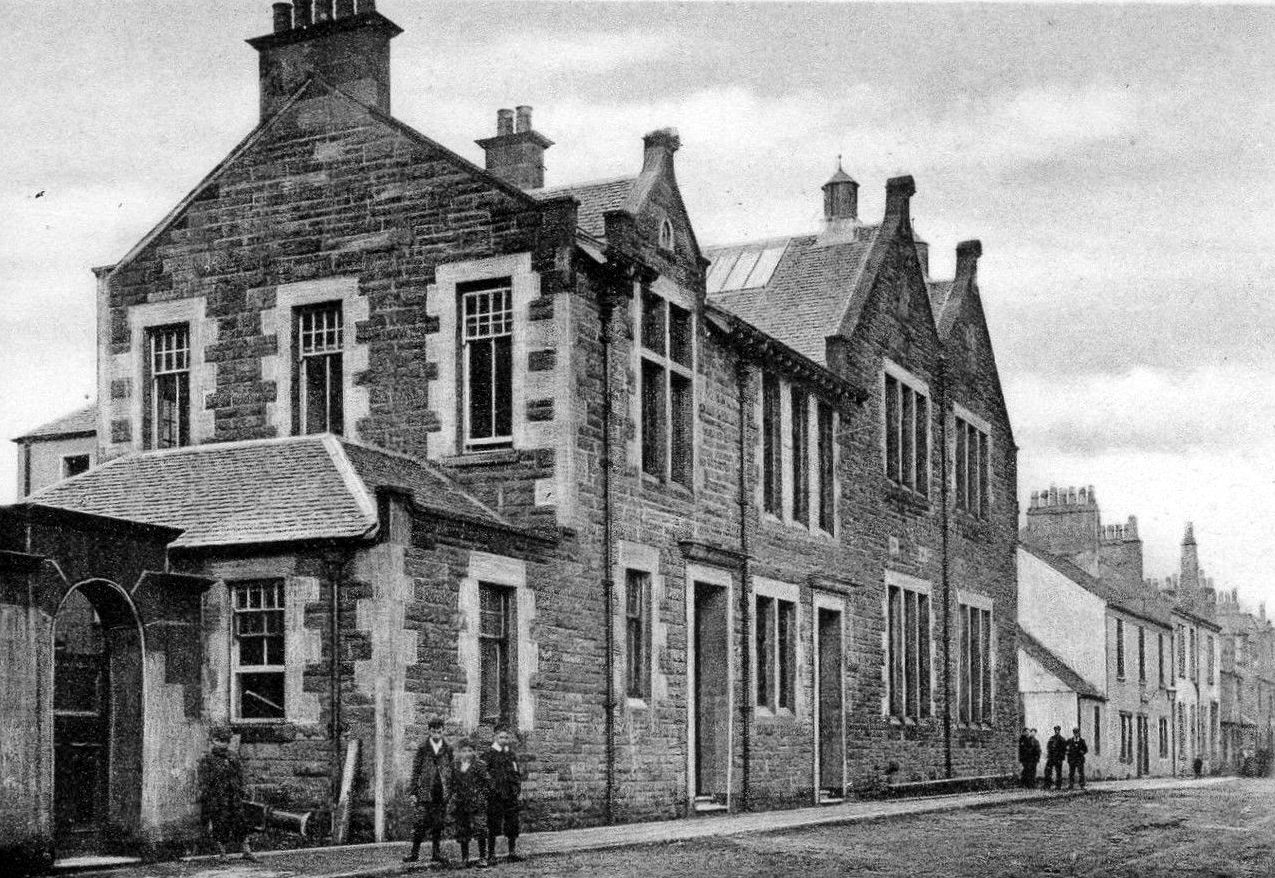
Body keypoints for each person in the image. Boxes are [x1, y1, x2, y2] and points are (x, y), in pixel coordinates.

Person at [199, 726, 255, 861]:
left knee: (241, 822)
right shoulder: (208, 759)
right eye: (220, 740)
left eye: (226, 740)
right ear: (213, 741)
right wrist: (208, 797)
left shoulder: (233, 757)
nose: (224, 743)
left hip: (234, 795)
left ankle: (247, 851)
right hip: (218, 798)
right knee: (220, 823)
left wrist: (243, 789)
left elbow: (240, 775)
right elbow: (204, 780)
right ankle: (223, 854)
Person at [405, 716, 453, 864]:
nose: (436, 735)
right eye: (433, 732)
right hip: (425, 791)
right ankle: (414, 853)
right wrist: (413, 791)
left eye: (439, 731)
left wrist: (450, 790)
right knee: (420, 822)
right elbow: (416, 771)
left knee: (438, 823)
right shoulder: (423, 748)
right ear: (429, 731)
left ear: (443, 731)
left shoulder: (448, 749)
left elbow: (451, 770)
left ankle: (436, 853)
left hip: (441, 791)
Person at [487, 724, 524, 863]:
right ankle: (491, 854)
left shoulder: (511, 755)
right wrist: (492, 789)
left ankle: (512, 852)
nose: (504, 740)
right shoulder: (489, 754)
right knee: (493, 824)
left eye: (506, 737)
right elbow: (485, 775)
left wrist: (516, 788)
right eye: (501, 737)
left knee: (512, 823)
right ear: (495, 737)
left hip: (510, 795)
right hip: (495, 795)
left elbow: (516, 773)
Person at [452, 739, 491, 868]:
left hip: (477, 803)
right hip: (461, 802)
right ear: (459, 752)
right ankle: (465, 858)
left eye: (470, 750)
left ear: (474, 752)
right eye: (464, 751)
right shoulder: (456, 765)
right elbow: (452, 783)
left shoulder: (480, 765)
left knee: (480, 828)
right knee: (463, 830)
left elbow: (487, 783)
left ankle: (482, 857)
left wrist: (481, 796)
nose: (467, 753)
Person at [1044, 725, 1067, 790]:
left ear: (1059, 731)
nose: (1057, 731)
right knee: (1048, 771)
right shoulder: (1051, 738)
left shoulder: (1062, 739)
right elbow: (1048, 747)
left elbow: (1064, 750)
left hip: (1058, 759)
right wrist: (1049, 755)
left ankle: (1058, 786)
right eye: (1055, 730)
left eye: (1058, 730)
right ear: (1054, 731)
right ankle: (1047, 785)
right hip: (1051, 758)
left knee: (1058, 772)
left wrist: (1061, 758)